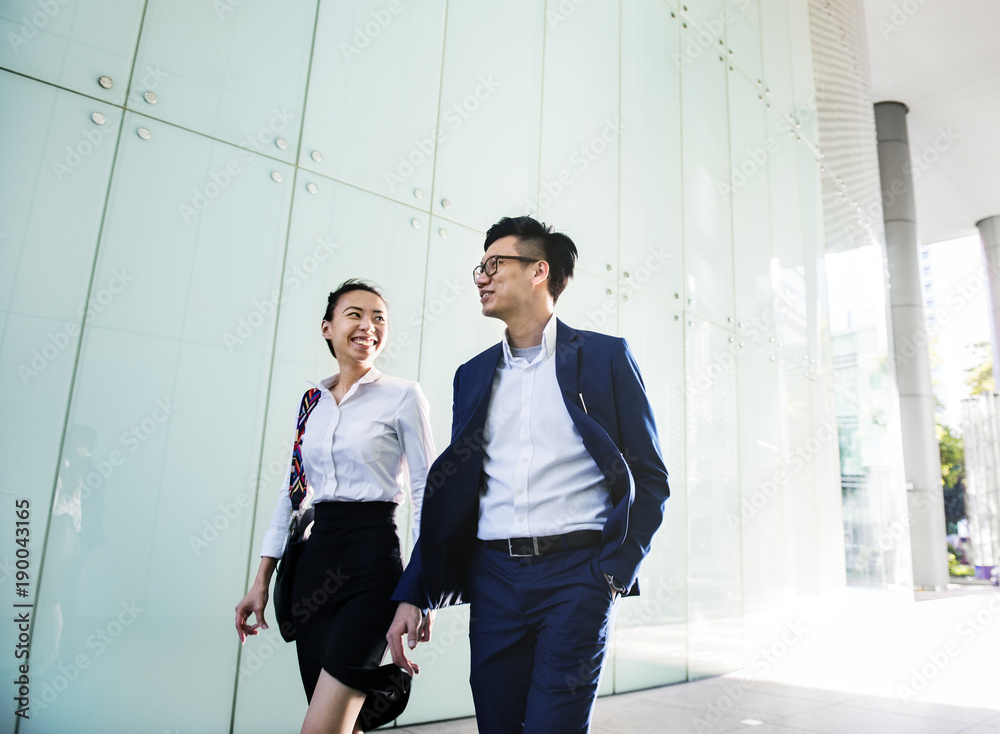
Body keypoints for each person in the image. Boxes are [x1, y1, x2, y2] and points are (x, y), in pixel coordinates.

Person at [386, 216, 671, 733]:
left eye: (496, 264)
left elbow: (649, 477)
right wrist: (415, 590)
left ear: (540, 270)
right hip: (494, 580)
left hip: (577, 578)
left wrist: (613, 573)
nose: (482, 276)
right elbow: (455, 499)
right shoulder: (472, 375)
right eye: (481, 267)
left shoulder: (604, 357)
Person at [236, 279, 435, 734]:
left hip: (373, 564)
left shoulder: (404, 395)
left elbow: (428, 495)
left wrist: (419, 592)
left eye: (379, 317)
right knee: (343, 726)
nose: (369, 325)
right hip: (313, 569)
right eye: (355, 314)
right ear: (327, 328)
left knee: (320, 729)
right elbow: (292, 494)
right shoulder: (311, 404)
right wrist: (260, 581)